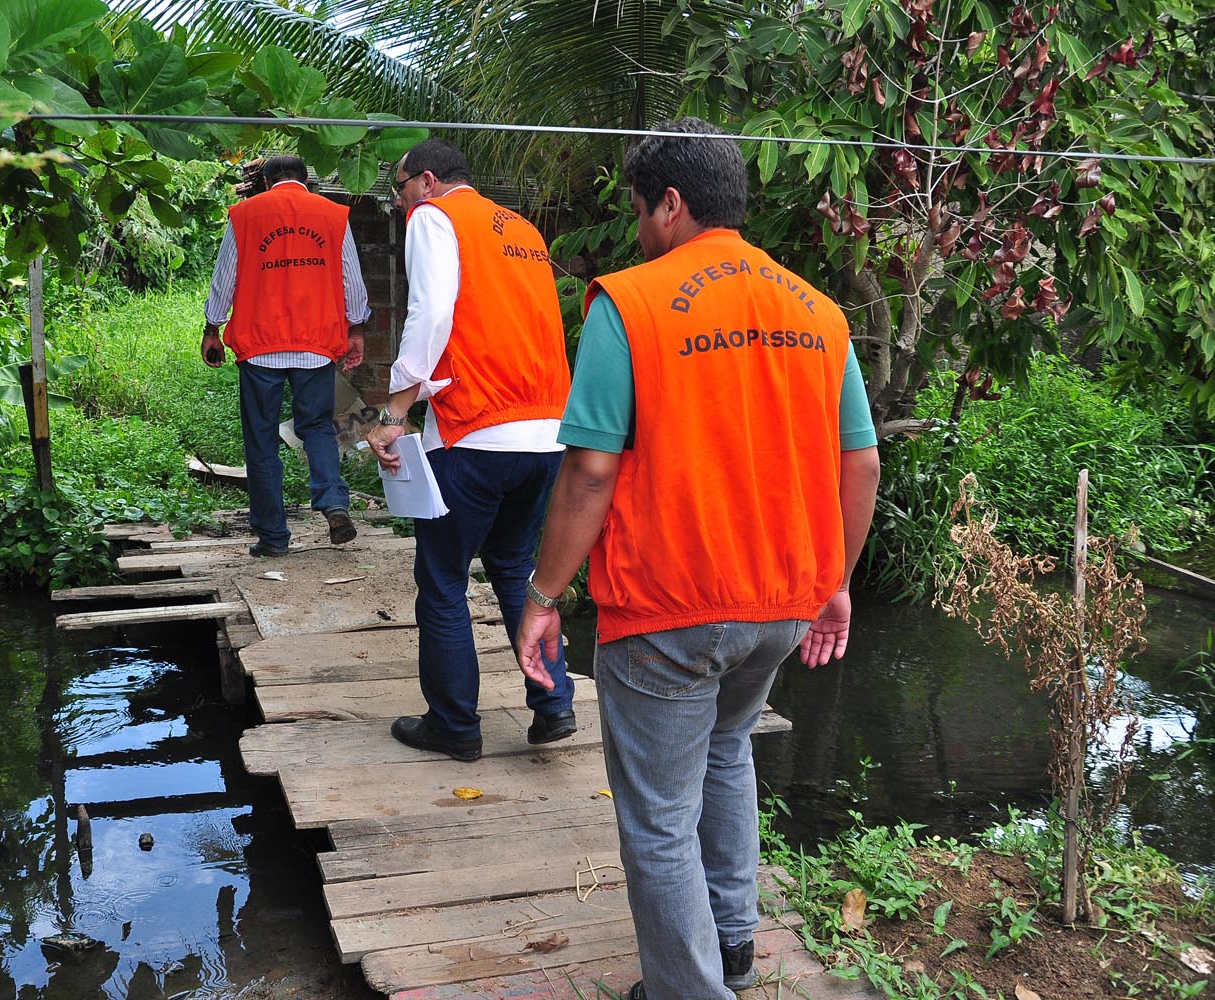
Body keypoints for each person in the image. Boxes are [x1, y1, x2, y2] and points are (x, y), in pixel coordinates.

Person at [514, 119, 881, 1000]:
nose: (639, 229)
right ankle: (736, 948)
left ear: (670, 204)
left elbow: (592, 468)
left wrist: (543, 593)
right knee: (725, 755)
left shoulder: (629, 302)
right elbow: (860, 463)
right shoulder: (818, 312)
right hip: (780, 607)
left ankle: (690, 990)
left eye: (640, 210)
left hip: (668, 611)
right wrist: (831, 583)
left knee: (658, 818)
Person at [365, 138, 577, 762]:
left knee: (442, 581)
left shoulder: (436, 217)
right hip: (546, 431)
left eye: (401, 188)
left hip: (477, 431)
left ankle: (454, 726)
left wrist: (396, 410)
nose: (401, 202)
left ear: (426, 181)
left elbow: (431, 314)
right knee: (517, 569)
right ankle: (554, 704)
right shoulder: (521, 228)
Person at [202, 154, 369, 556]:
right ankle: (332, 503)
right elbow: (352, 276)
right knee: (318, 428)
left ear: (264, 180)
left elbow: (226, 276)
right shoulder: (332, 215)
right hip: (316, 345)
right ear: (306, 179)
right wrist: (357, 328)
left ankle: (274, 538)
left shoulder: (245, 215)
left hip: (260, 347)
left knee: (261, 440)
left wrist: (213, 328)